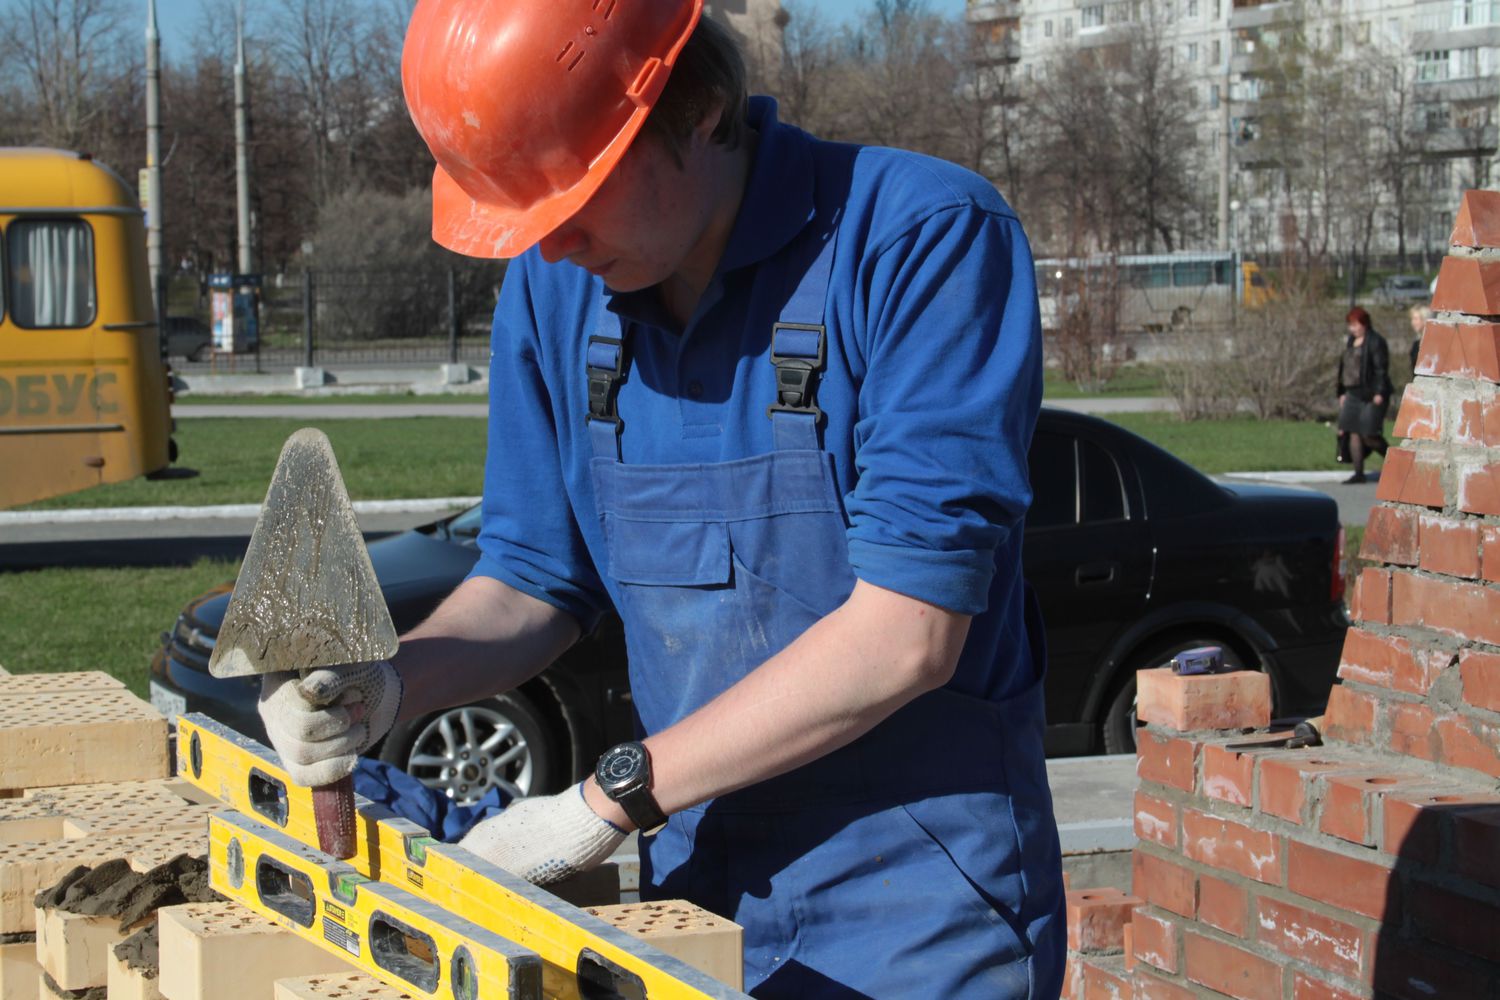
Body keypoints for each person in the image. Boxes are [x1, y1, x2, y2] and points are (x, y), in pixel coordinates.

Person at [259, 2, 1064, 996]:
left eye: (578, 192)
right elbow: (532, 579)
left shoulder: (919, 238)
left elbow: (909, 631)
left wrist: (601, 803)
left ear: (698, 107)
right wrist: (387, 683)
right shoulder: (556, 290)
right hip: (699, 890)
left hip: (923, 909)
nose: (554, 242)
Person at [1336, 306, 1392, 485]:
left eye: (1355, 324)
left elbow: (1381, 368)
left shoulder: (1375, 341)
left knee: (1369, 433)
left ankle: (1395, 462)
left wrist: (1379, 391)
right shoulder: (1351, 341)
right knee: (1353, 431)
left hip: (1370, 394)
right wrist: (1342, 392)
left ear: (1364, 324)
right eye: (1350, 325)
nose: (1352, 328)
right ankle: (1358, 472)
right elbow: (1345, 368)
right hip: (1352, 393)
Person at [1408, 303, 1430, 373]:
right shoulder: (1416, 344)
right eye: (1412, 319)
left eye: (1415, 319)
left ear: (1424, 320)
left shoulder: (1431, 343)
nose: (1412, 322)